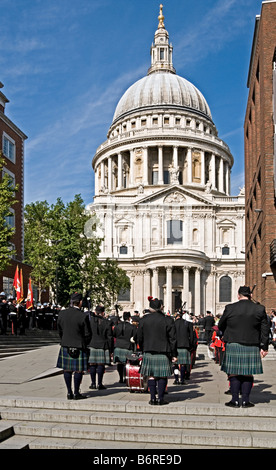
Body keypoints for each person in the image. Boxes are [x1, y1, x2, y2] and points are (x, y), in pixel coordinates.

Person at [218, 285, 270, 408]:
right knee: (248, 374)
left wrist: (228, 335)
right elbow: (265, 330)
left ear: (238, 295)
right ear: (250, 295)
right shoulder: (259, 309)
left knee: (234, 373)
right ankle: (246, 401)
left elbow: (220, 325)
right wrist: (264, 347)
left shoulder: (230, 308)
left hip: (233, 343)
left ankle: (235, 400)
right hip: (252, 344)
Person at [137, 297, 177, 405]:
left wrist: (141, 348)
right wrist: (174, 354)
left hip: (148, 350)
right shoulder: (168, 320)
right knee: (162, 375)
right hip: (163, 352)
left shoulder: (143, 320)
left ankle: (152, 398)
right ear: (161, 307)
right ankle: (160, 398)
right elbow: (172, 339)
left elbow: (139, 337)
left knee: (151, 375)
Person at [56, 292, 92, 400]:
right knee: (78, 370)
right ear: (80, 302)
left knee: (67, 370)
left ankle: (69, 392)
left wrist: (64, 339)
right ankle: (76, 393)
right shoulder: (82, 316)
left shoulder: (62, 314)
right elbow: (88, 334)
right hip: (79, 346)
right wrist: (84, 344)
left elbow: (59, 330)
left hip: (66, 345)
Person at [88, 305, 113, 390]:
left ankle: (93, 383)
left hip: (92, 344)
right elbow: (110, 337)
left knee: (92, 364)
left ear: (95, 312)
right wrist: (110, 349)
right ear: (103, 313)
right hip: (103, 345)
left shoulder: (90, 321)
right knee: (100, 364)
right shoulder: (107, 322)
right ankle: (99, 383)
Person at [113, 311, 136, 383]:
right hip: (127, 346)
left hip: (118, 345)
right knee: (127, 364)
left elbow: (114, 335)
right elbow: (135, 337)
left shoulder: (117, 326)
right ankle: (126, 377)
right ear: (129, 318)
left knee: (119, 363)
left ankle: (120, 378)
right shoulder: (132, 327)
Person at [174, 311, 194, 384]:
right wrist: (191, 345)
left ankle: (176, 379)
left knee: (175, 364)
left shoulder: (173, 323)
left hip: (175, 346)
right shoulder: (188, 323)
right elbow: (191, 336)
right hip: (185, 346)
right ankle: (182, 379)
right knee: (183, 364)